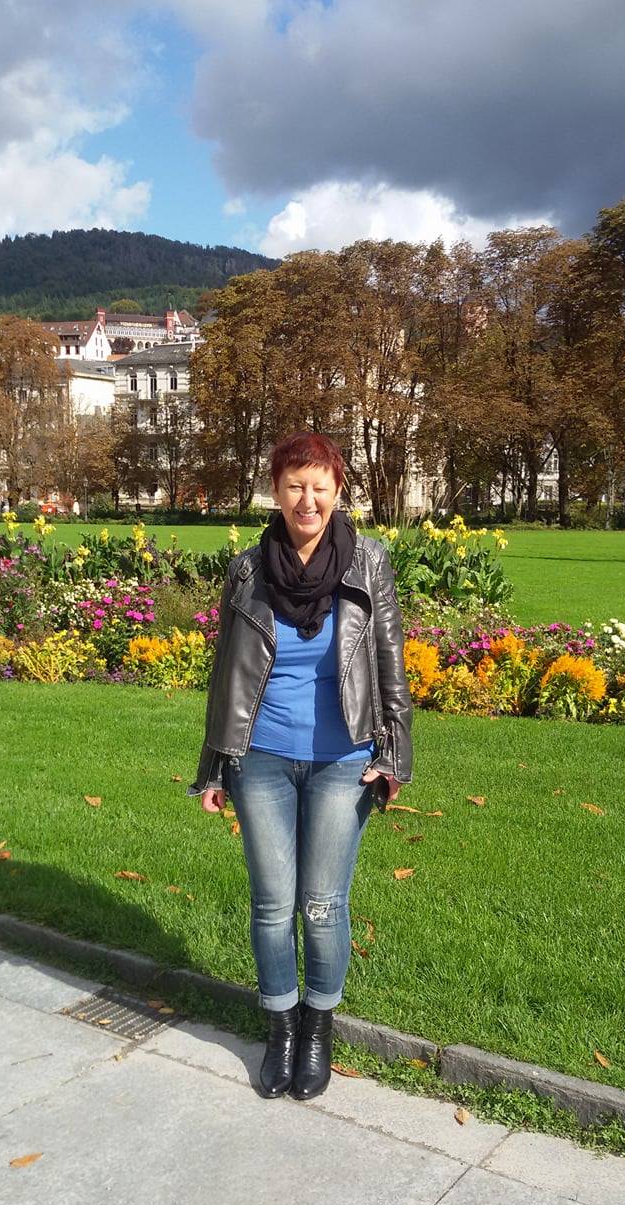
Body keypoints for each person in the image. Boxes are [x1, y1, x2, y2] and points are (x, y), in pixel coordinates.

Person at [188, 432, 413, 1101]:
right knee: (271, 904)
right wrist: (213, 767)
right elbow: (226, 675)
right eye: (294, 486)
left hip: (344, 760)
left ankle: (318, 1027)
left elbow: (391, 666)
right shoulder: (248, 570)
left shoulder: (368, 563)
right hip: (260, 759)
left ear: (337, 491)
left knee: (321, 904)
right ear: (277, 493)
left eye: (319, 487)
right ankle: (280, 1027)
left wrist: (394, 754)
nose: (307, 500)